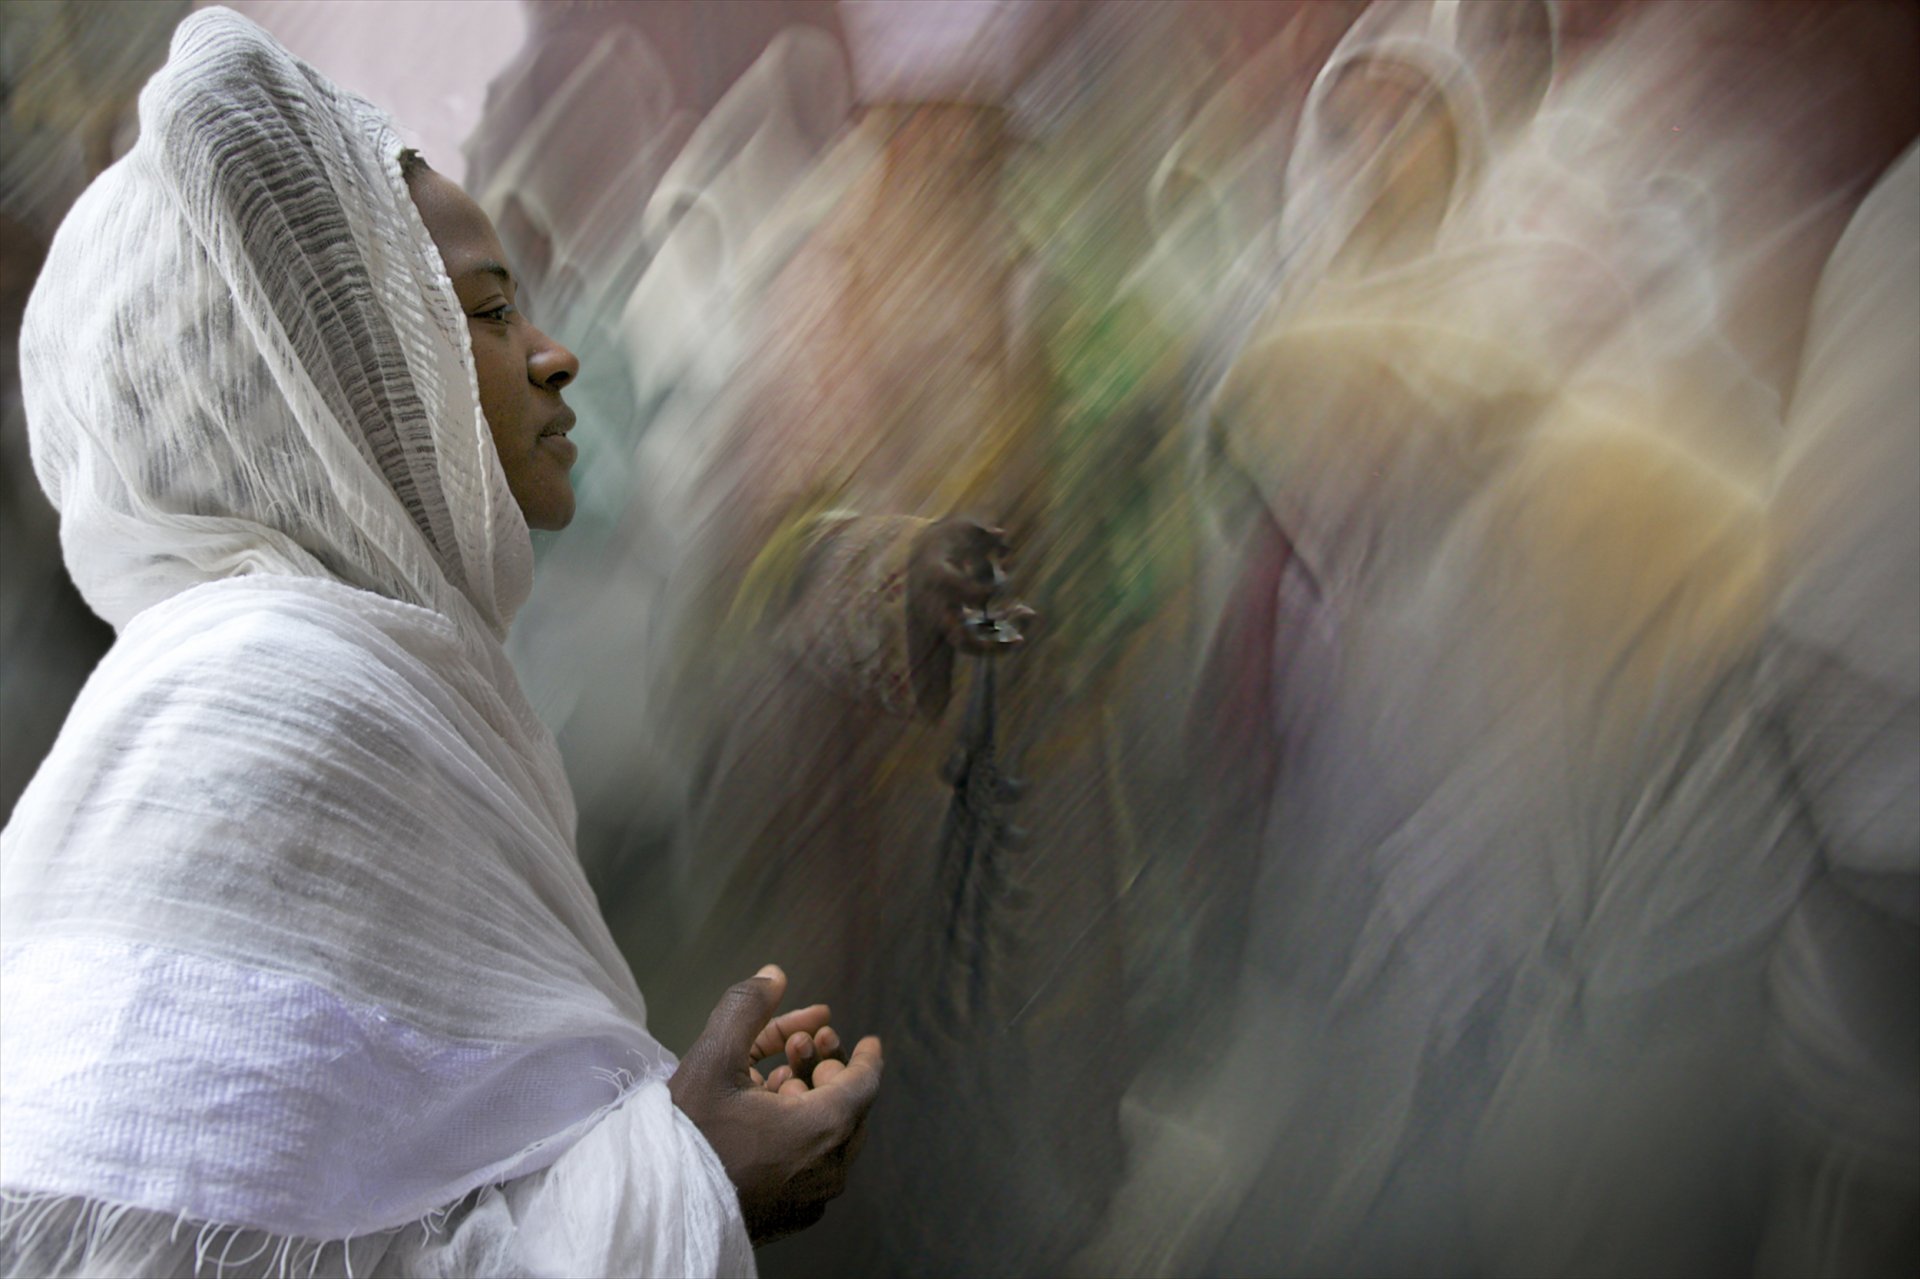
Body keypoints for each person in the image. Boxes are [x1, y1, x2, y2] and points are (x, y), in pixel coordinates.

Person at [0, 10, 878, 1277]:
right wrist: (695, 1180)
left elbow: (353, 1203)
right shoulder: (302, 698)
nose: (556, 354)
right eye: (482, 312)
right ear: (338, 380)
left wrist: (667, 1138)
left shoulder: (265, 666)